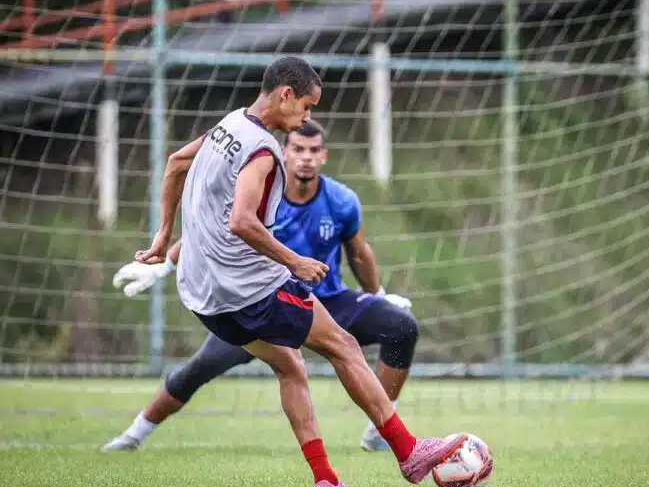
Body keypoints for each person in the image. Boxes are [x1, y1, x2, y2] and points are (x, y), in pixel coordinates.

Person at [116, 56, 464, 487]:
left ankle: (325, 479)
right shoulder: (263, 151)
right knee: (344, 346)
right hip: (253, 290)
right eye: (306, 107)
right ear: (284, 95)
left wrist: (164, 236)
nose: (307, 118)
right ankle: (409, 451)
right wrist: (294, 262)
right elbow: (242, 221)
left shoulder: (227, 126)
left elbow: (174, 163)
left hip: (203, 295)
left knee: (290, 367)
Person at [102, 120, 420, 453]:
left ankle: (378, 432)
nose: (306, 158)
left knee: (402, 327)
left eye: (313, 151)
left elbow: (359, 254)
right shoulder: (263, 194)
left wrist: (379, 296)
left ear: (324, 156)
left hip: (327, 301)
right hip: (263, 302)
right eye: (298, 149)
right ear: (285, 151)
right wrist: (165, 264)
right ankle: (134, 434)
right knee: (200, 368)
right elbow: (214, 234)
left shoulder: (342, 201)